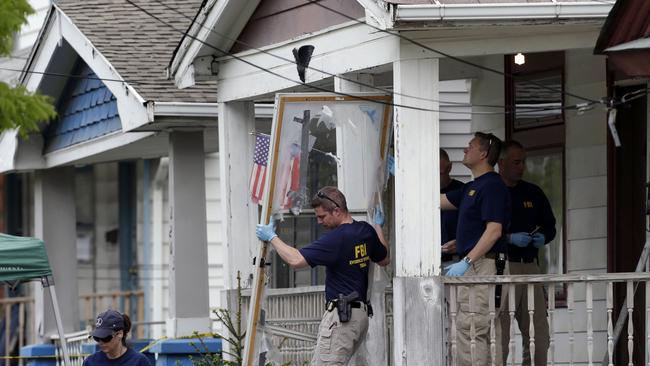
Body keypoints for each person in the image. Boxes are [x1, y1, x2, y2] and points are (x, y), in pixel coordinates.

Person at [256, 186, 389, 365]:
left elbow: (296, 260)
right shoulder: (365, 231)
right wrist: (378, 226)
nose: (319, 222)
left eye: (322, 216)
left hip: (342, 319)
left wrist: (272, 237)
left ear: (337, 211)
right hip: (359, 318)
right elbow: (384, 258)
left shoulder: (338, 238)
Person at [441, 132, 510, 366]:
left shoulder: (492, 186)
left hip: (483, 265)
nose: (464, 149)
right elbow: (434, 200)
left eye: (470, 146)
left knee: (473, 329)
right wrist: (401, 177)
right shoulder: (471, 187)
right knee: (478, 329)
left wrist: (467, 260)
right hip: (475, 264)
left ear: (483, 153)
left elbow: (494, 231)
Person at [497, 140, 555, 366]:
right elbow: (481, 232)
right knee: (500, 332)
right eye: (516, 162)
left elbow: (550, 225)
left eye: (524, 162)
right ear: (501, 163)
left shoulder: (533, 192)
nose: (521, 167)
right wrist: (509, 238)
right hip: (503, 266)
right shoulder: (493, 191)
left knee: (538, 334)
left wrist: (545, 237)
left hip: (530, 266)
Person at [84, 309, 151, 365]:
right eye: (97, 338)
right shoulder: (90, 362)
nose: (100, 342)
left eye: (105, 337)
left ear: (120, 334)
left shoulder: (139, 362)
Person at [439, 148, 465, 268]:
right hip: (426, 261)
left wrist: (460, 243)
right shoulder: (421, 192)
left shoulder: (462, 191)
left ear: (449, 167)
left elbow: (474, 226)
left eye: (440, 173)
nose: (436, 178)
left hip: (456, 260)